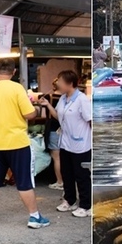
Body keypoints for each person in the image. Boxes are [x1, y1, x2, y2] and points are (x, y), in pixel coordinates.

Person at [0, 58, 49, 229]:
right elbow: (29, 114)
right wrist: (36, 109)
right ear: (14, 72)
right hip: (18, 144)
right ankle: (34, 217)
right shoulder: (17, 88)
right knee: (24, 182)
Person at [40, 70, 91, 218]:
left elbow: (90, 120)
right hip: (65, 142)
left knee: (81, 175)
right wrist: (48, 105)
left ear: (70, 84)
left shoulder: (82, 100)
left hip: (81, 144)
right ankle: (69, 200)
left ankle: (86, 205)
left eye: (60, 82)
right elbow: (58, 116)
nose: (58, 84)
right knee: (67, 173)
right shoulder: (62, 98)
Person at [43, 89, 64, 190]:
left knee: (56, 157)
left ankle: (60, 181)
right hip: (63, 130)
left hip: (54, 130)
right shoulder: (67, 98)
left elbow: (55, 116)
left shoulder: (49, 97)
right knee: (62, 157)